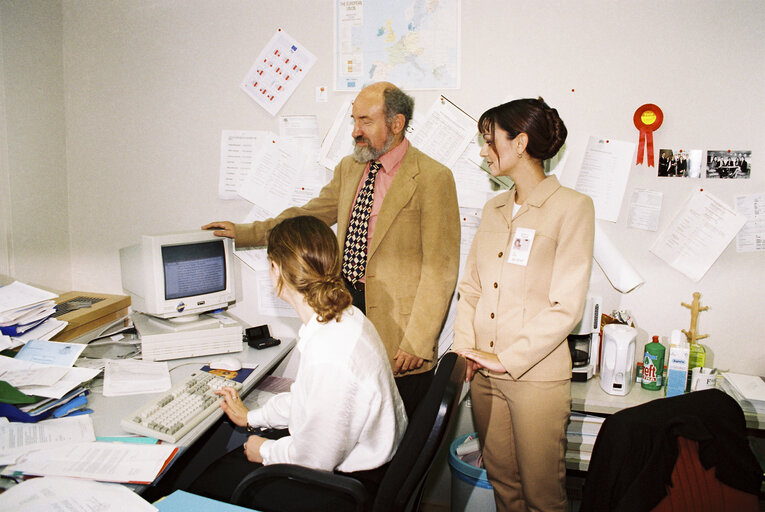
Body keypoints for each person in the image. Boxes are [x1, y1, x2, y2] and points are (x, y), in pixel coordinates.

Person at [204, 81, 460, 418]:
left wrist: (419, 340)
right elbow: (309, 215)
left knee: (395, 426)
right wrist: (247, 232)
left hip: (401, 330)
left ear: (396, 124)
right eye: (354, 121)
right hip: (346, 309)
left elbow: (440, 269)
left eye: (365, 121)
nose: (355, 131)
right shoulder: (349, 168)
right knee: (344, 414)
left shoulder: (432, 177)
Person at [189, 216, 408, 504]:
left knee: (204, 488)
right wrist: (251, 417)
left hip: (346, 482)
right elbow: (309, 399)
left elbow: (314, 460)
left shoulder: (329, 352)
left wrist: (264, 450)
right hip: (360, 459)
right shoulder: (342, 315)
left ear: (276, 269)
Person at [452, 98, 595, 512]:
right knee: (503, 486)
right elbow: (471, 289)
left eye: (489, 140)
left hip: (536, 378)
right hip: (483, 374)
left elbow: (566, 306)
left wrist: (506, 358)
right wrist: (466, 352)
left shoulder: (572, 207)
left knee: (542, 496)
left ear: (520, 143)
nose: (482, 150)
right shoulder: (493, 208)